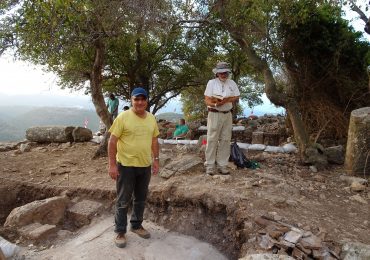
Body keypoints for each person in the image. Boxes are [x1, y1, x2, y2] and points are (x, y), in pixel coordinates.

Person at [108, 87, 160, 248]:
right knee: (123, 200)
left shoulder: (151, 118)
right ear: (131, 100)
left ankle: (136, 225)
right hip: (126, 165)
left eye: (142, 99)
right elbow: (112, 141)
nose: (139, 102)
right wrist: (111, 164)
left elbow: (154, 141)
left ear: (146, 101)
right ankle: (120, 231)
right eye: (136, 99)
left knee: (140, 199)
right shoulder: (123, 117)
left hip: (145, 165)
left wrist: (156, 159)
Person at [204, 62, 240, 175]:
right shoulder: (211, 83)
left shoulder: (232, 83)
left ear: (227, 72)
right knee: (212, 138)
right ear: (217, 73)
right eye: (221, 73)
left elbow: (237, 96)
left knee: (225, 139)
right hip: (214, 113)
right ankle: (210, 165)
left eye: (225, 72)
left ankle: (222, 165)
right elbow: (207, 99)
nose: (223, 74)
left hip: (227, 114)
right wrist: (215, 104)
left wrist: (227, 100)